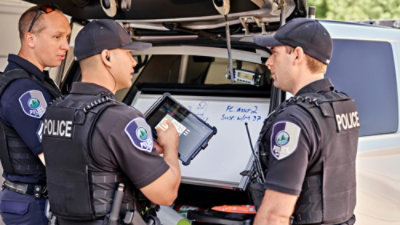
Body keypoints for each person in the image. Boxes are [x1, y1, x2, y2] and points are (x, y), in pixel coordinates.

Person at [42, 19, 181, 225]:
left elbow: (90, 160)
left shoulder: (55, 110)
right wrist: (171, 146)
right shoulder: (121, 119)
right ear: (107, 57)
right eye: (128, 54)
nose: (134, 62)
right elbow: (166, 194)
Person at [251, 18, 359, 225]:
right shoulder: (344, 105)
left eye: (274, 53)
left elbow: (275, 216)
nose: (268, 62)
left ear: (297, 55)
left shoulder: (293, 121)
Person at [0, 5, 70, 225]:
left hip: (32, 200)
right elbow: (53, 154)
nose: (66, 45)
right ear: (30, 39)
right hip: (32, 202)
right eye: (57, 36)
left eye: (67, 37)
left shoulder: (38, 82)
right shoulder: (25, 90)